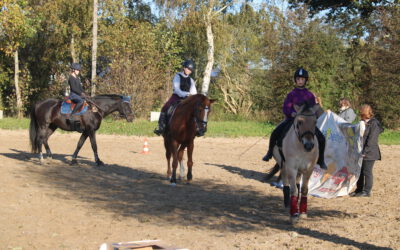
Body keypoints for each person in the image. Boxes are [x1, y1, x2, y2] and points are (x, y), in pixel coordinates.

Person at [262, 67, 327, 170]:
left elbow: (313, 108)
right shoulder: (291, 94)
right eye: (298, 79)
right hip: (291, 119)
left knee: (322, 138)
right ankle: (269, 153)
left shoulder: (309, 95)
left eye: (302, 79)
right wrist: (291, 113)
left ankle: (321, 160)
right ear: (295, 80)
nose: (300, 81)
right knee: (275, 132)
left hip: (306, 122)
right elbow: (285, 108)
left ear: (305, 80)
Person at [154, 59, 197, 135]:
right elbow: (176, 89)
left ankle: (197, 128)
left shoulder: (191, 80)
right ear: (184, 68)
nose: (189, 71)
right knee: (165, 107)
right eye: (187, 68)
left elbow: (194, 92)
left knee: (197, 109)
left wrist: (192, 97)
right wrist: (186, 94)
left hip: (187, 99)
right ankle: (161, 127)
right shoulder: (177, 76)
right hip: (177, 96)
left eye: (190, 70)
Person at [349, 104, 383, 197]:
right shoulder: (361, 122)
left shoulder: (374, 123)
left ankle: (367, 191)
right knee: (359, 171)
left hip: (370, 152)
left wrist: (365, 152)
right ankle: (358, 189)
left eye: (361, 112)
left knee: (367, 171)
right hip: (360, 151)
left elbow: (372, 140)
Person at [67, 63, 88, 130]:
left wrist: (84, 93)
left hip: (78, 94)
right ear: (73, 70)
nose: (78, 71)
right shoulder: (71, 78)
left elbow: (80, 87)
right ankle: (72, 115)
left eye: (79, 70)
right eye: (77, 70)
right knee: (81, 101)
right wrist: (81, 94)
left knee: (87, 100)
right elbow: (73, 88)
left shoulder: (77, 78)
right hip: (73, 95)